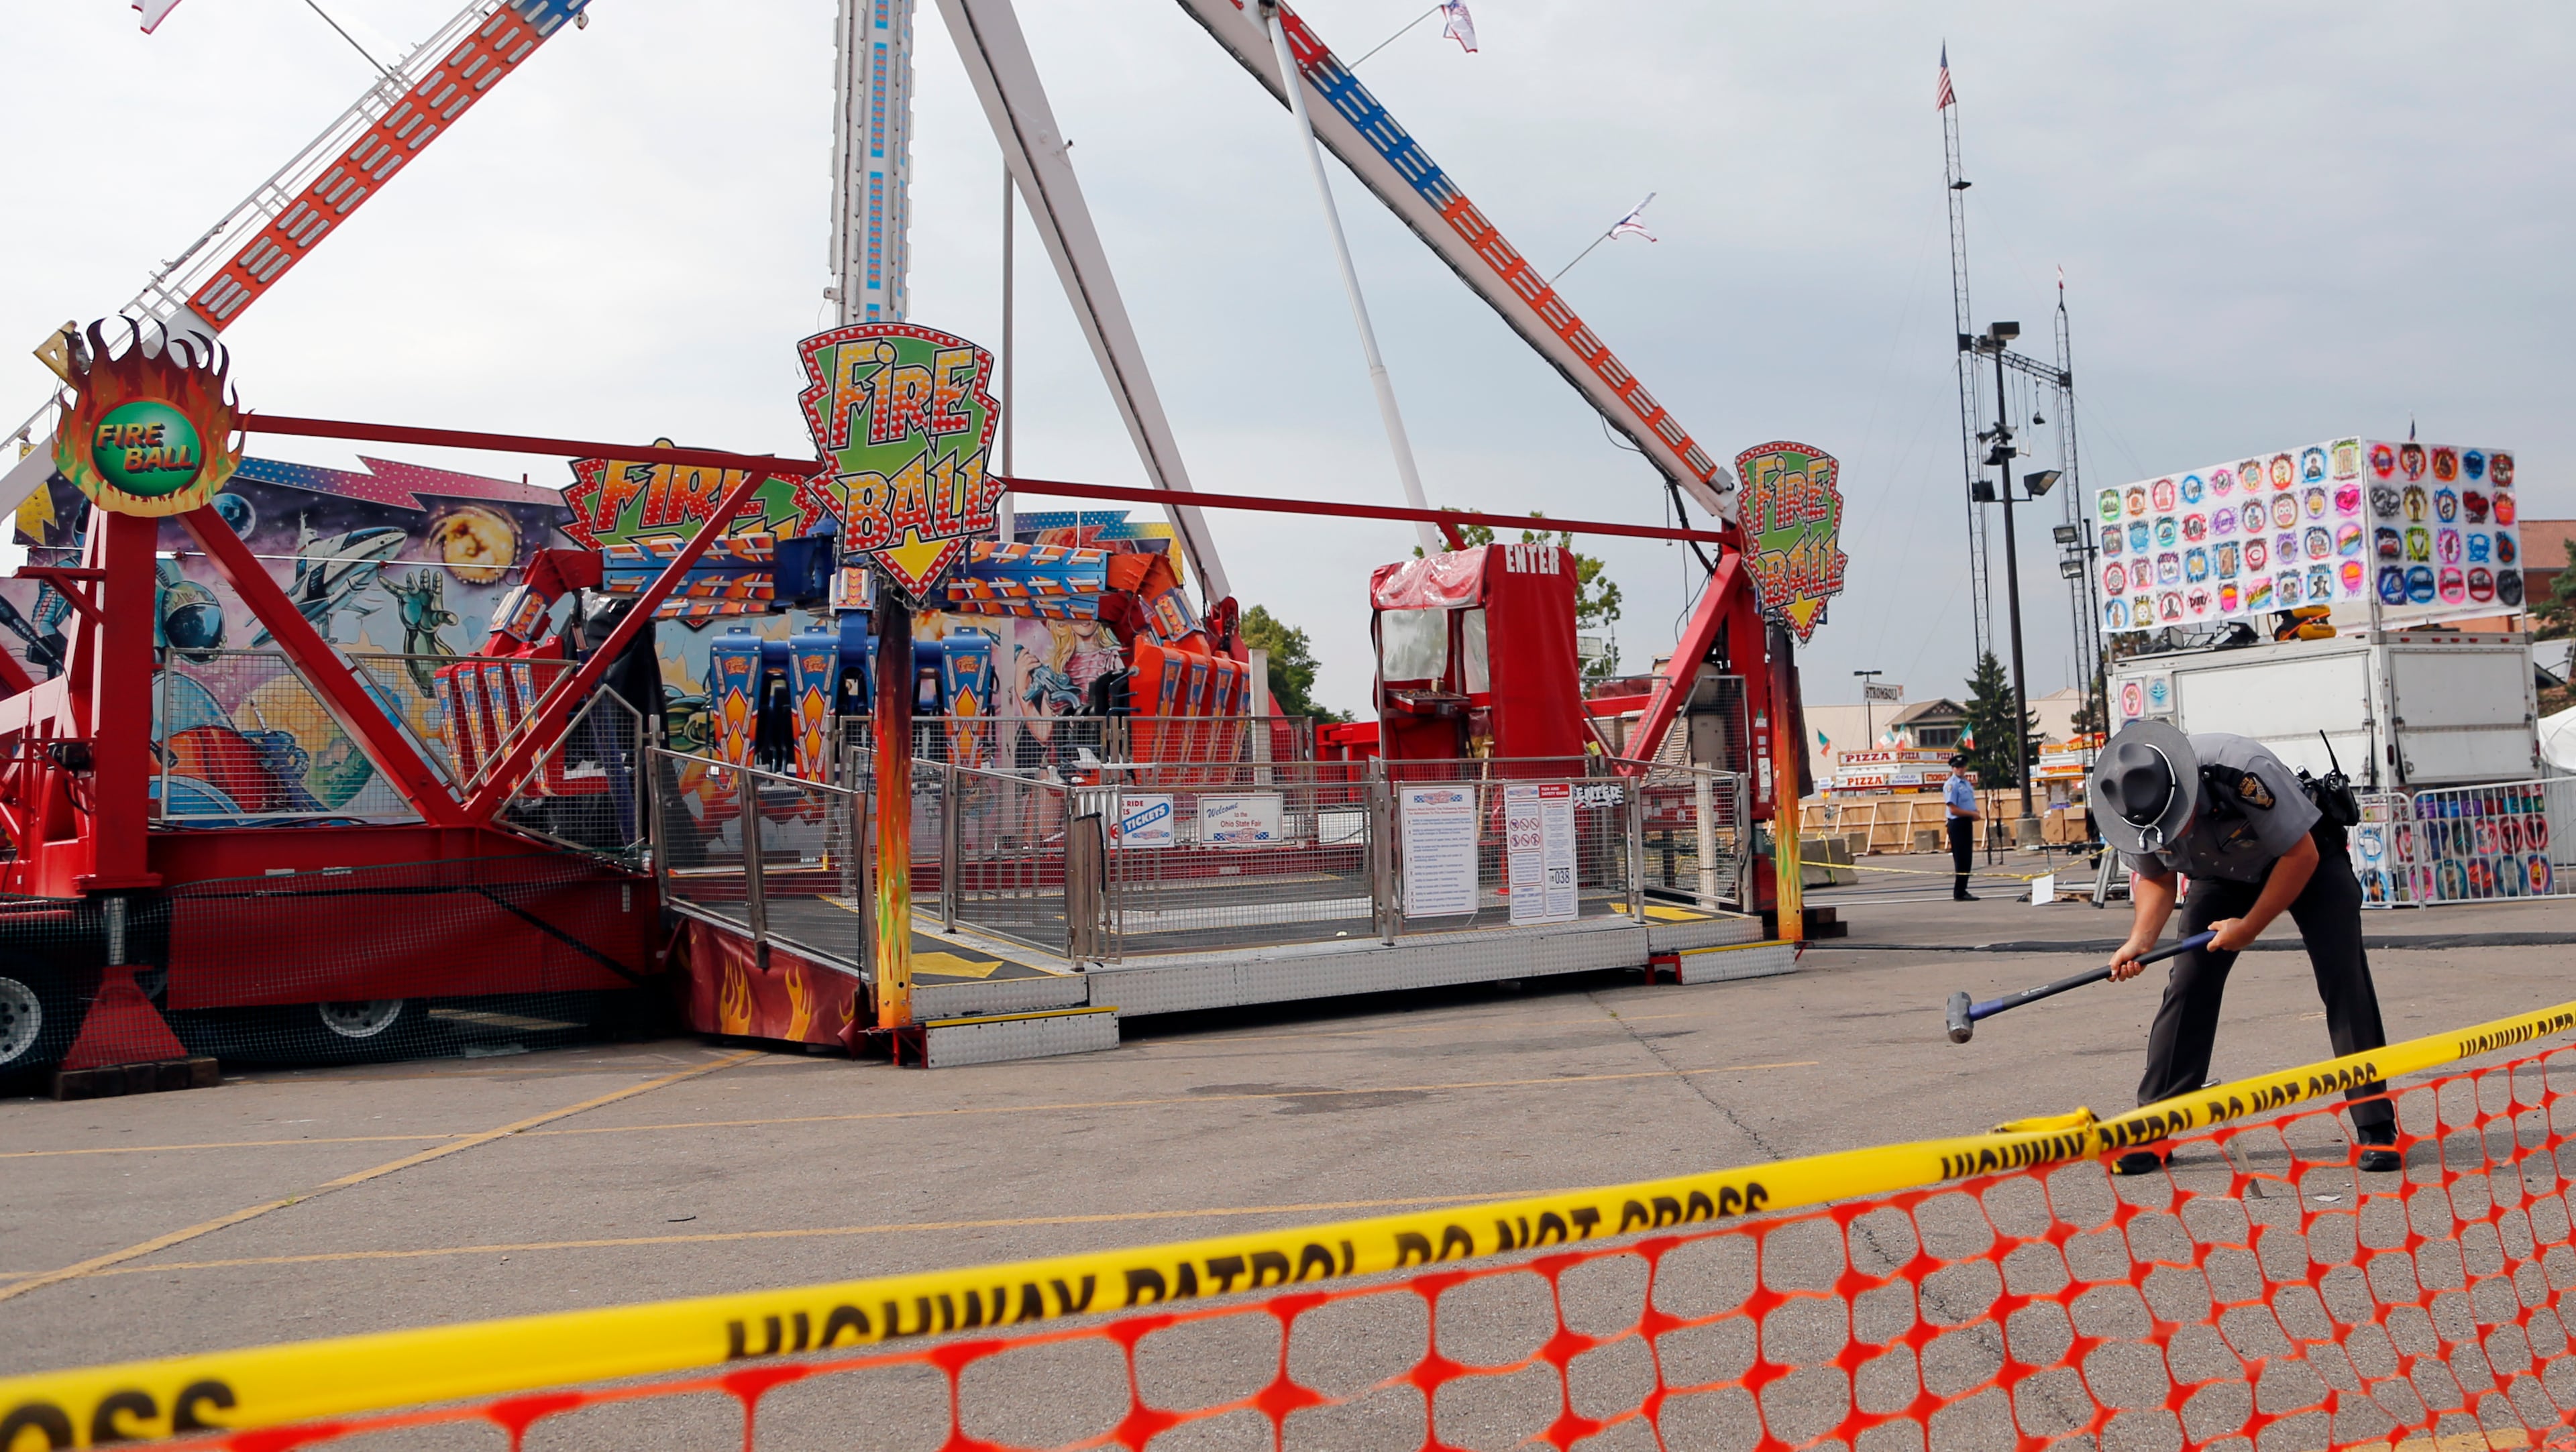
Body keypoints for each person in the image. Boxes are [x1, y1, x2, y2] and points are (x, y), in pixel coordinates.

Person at [2092, 721, 2398, 1176]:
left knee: (2343, 977)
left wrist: (2250, 926)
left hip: (2304, 859)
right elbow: (2157, 875)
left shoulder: (2237, 769)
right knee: (2189, 983)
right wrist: (2140, 939)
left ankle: (2377, 1127)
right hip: (2218, 876)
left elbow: (2302, 856)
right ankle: (2153, 1129)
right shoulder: (2126, 805)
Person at [1943, 756, 1980, 901]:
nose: (1960, 769)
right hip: (1957, 823)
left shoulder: (1966, 783)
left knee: (1967, 858)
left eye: (1962, 766)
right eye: (1957, 767)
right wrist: (1972, 814)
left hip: (1966, 822)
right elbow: (1953, 809)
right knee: (1961, 858)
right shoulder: (1952, 785)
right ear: (1952, 768)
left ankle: (1963, 889)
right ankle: (1959, 892)